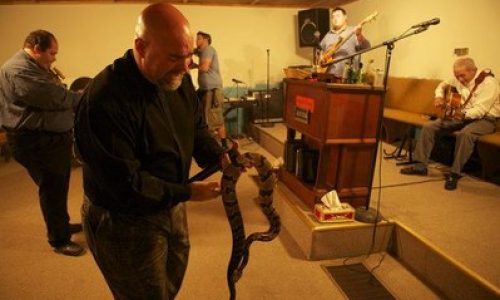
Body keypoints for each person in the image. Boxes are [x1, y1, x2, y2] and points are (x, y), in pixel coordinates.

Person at [74, 3, 225, 299]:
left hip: (170, 203)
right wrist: (188, 192)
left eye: (189, 56)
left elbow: (195, 129)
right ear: (141, 47)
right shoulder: (104, 100)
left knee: (166, 289)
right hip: (123, 219)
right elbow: (126, 185)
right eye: (174, 57)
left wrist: (220, 156)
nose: (186, 66)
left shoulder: (178, 79)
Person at [0, 30, 84, 256]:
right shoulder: (18, 70)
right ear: (36, 48)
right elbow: (55, 97)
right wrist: (83, 97)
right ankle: (59, 239)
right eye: (52, 53)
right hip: (36, 141)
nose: (54, 58)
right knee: (52, 189)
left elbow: (55, 92)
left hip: (50, 139)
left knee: (57, 187)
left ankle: (62, 225)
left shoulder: (33, 66)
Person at [400, 57, 500, 190]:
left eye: (462, 75)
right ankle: (420, 165)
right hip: (462, 115)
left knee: (465, 134)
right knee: (429, 126)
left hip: (485, 119)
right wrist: (439, 97)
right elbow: (442, 85)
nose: (459, 79)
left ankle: (455, 173)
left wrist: (458, 114)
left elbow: (480, 111)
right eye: (457, 76)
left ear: (473, 71)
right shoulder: (458, 78)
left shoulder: (489, 83)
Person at [194, 31, 228, 148]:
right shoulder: (202, 52)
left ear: (206, 40)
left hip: (212, 90)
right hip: (205, 89)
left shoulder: (208, 49)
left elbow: (204, 67)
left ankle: (223, 146)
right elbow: (192, 51)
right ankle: (215, 144)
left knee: (215, 118)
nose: (196, 41)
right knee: (205, 117)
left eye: (198, 38)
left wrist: (194, 66)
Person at [318, 7, 371, 78]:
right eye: (333, 17)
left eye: (338, 16)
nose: (335, 19)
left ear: (345, 18)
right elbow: (321, 51)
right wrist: (321, 57)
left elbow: (367, 47)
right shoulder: (328, 35)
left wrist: (359, 35)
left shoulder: (353, 31)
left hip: (349, 78)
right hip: (329, 77)